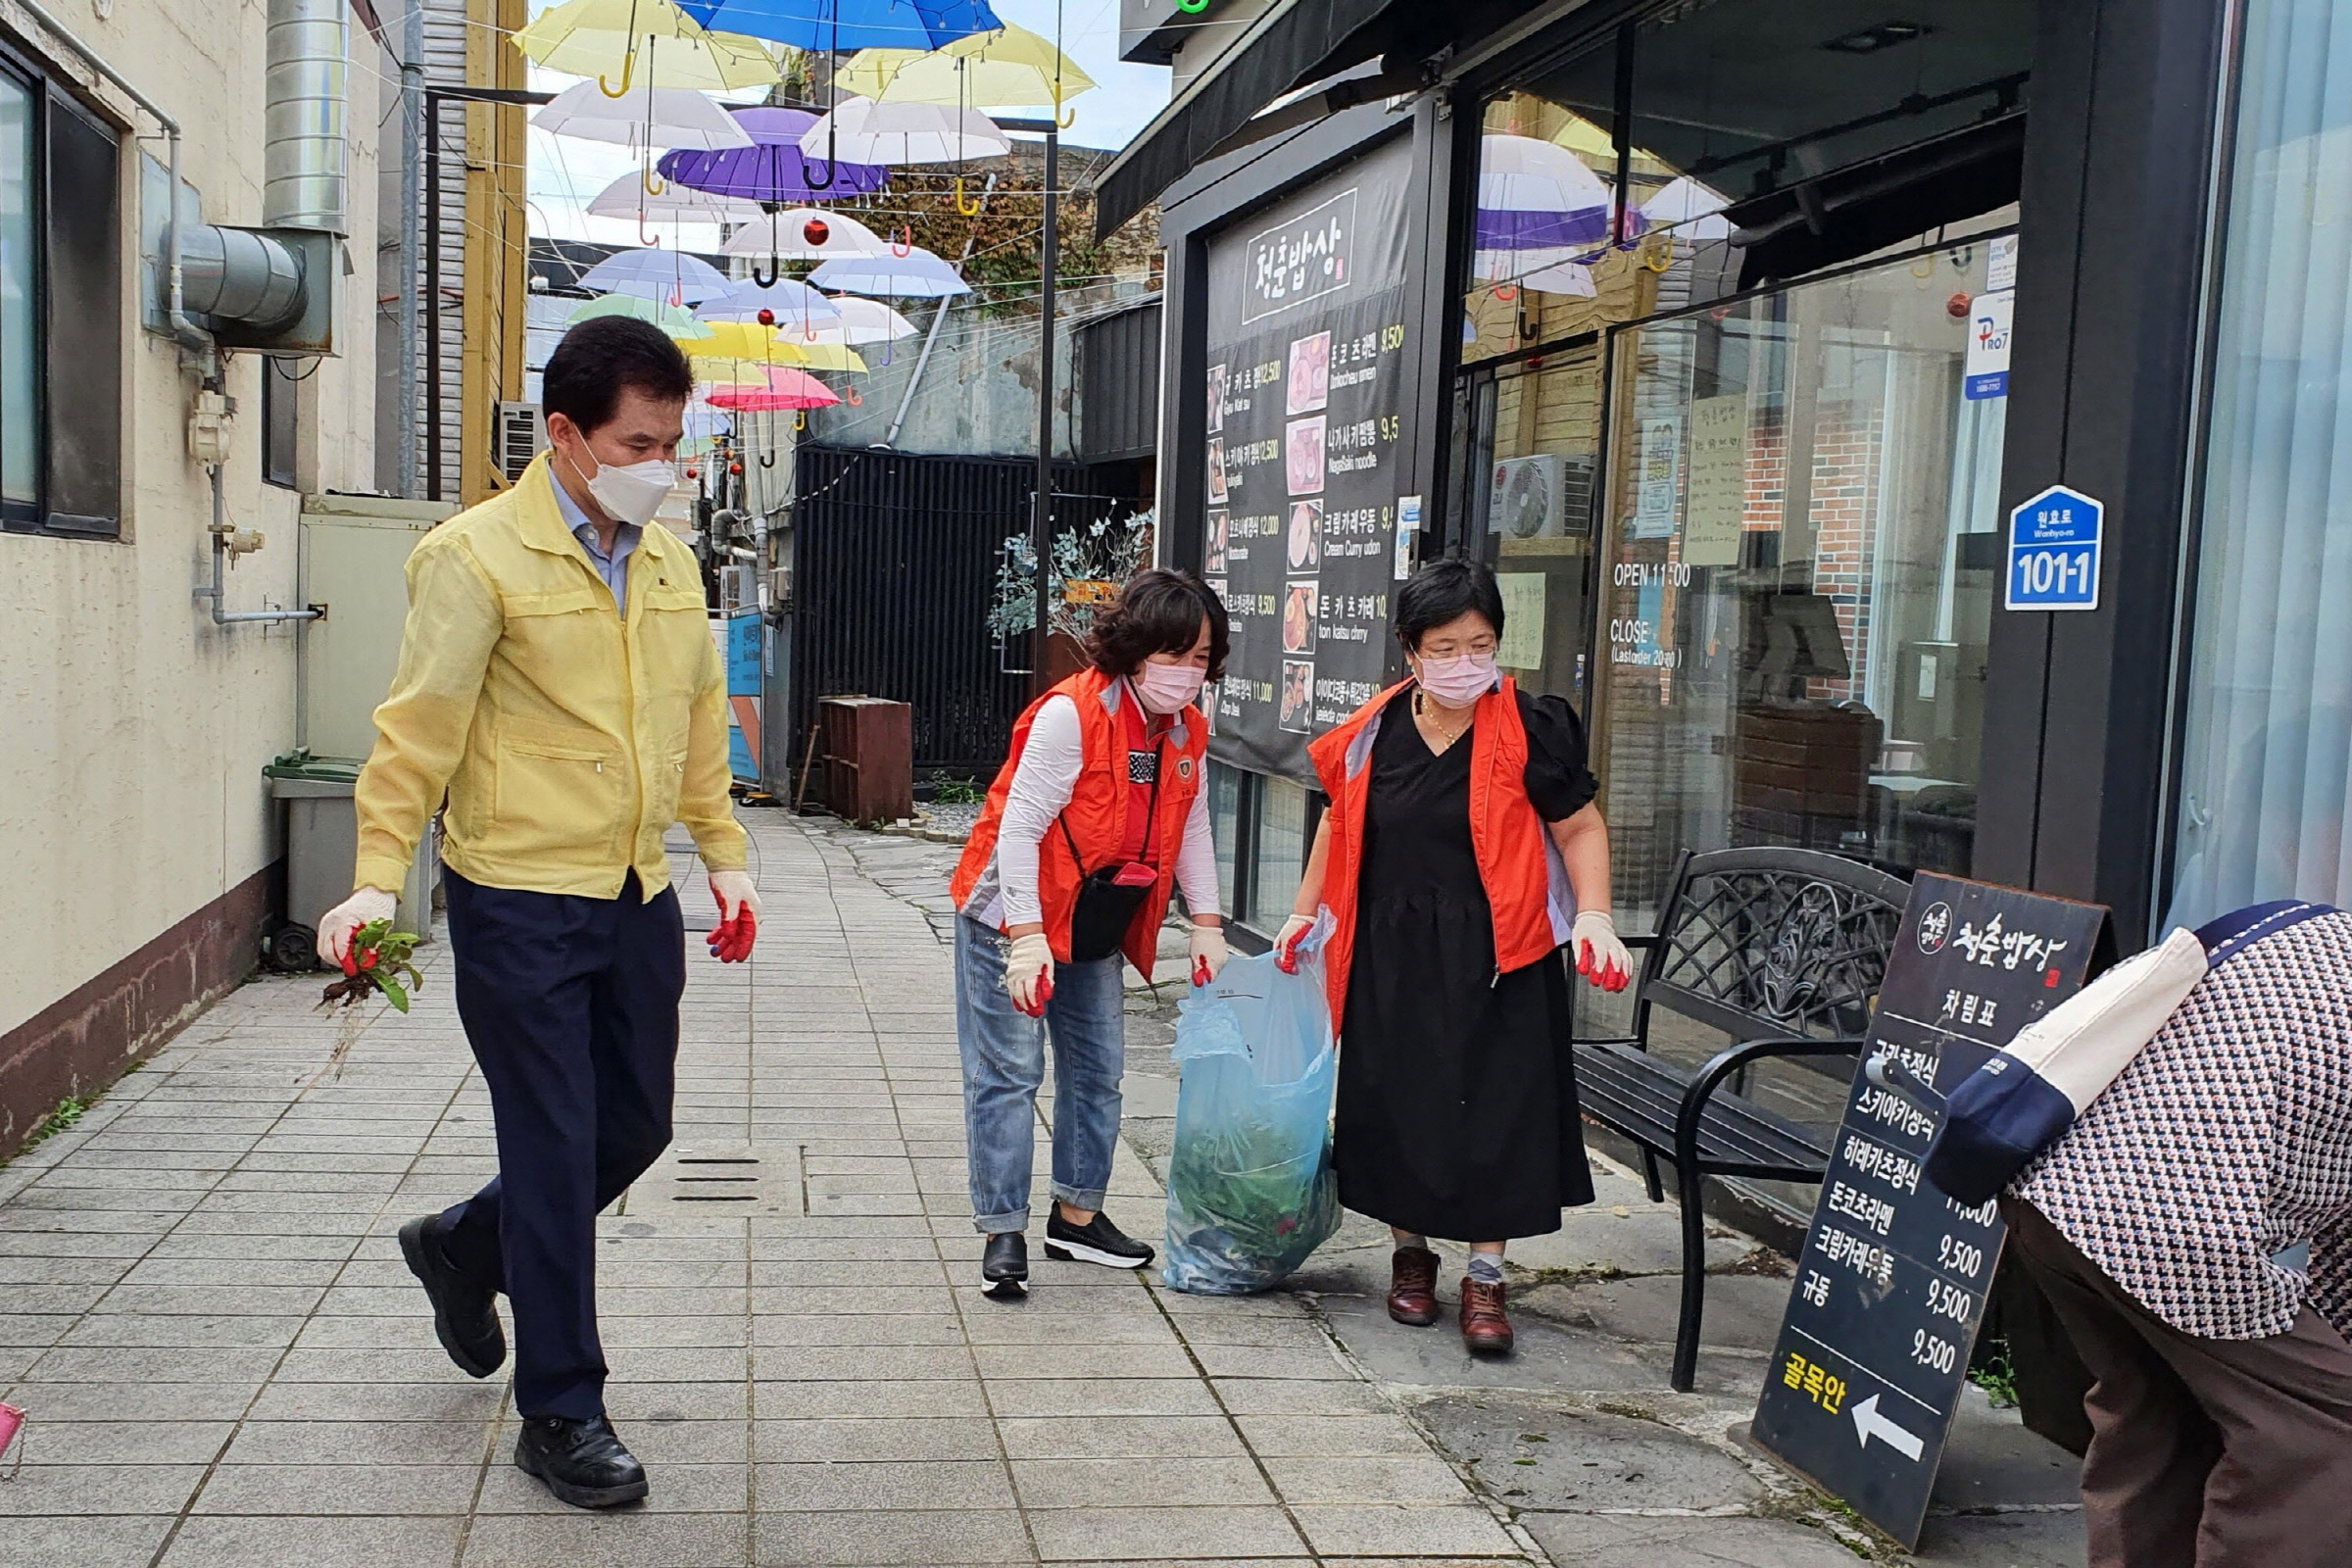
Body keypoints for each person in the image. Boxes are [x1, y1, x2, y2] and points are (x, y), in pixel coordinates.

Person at [314, 317, 758, 1510]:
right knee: (556, 1147)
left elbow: (693, 723)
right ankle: (562, 1409)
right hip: (515, 897)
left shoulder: (668, 562)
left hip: (634, 893)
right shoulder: (475, 559)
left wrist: (725, 851)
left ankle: (464, 1243)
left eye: (673, 442)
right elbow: (418, 731)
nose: (661, 466)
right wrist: (373, 874)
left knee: (637, 1126)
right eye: (638, 443)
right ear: (564, 436)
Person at [1278, 559, 1630, 1353]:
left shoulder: (1532, 726)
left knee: (1495, 1111)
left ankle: (1485, 1277)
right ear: (1410, 649)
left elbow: (1578, 827)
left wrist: (1597, 917)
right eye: (1446, 646)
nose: (1465, 661)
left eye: (1481, 644)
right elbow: (1340, 824)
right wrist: (1305, 914)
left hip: (1501, 952)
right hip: (1392, 950)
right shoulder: (1373, 730)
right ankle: (1411, 1257)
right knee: (1401, 1102)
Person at [2001, 903, 2352, 1568]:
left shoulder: (2319, 934)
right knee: (2324, 1433)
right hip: (2167, 1229)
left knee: (2158, 1412)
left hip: (2047, 1186)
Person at [948, 570, 1231, 1297]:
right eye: (1173, 654)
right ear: (1133, 651)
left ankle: (1076, 1217)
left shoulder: (1186, 727)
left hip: (1096, 917)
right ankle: (1002, 1228)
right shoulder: (1071, 715)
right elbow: (1019, 829)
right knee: (1009, 1075)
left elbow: (1189, 818)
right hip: (1012, 915)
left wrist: (1206, 920)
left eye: (1200, 658)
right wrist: (1025, 936)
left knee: (1099, 1072)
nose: (1187, 672)